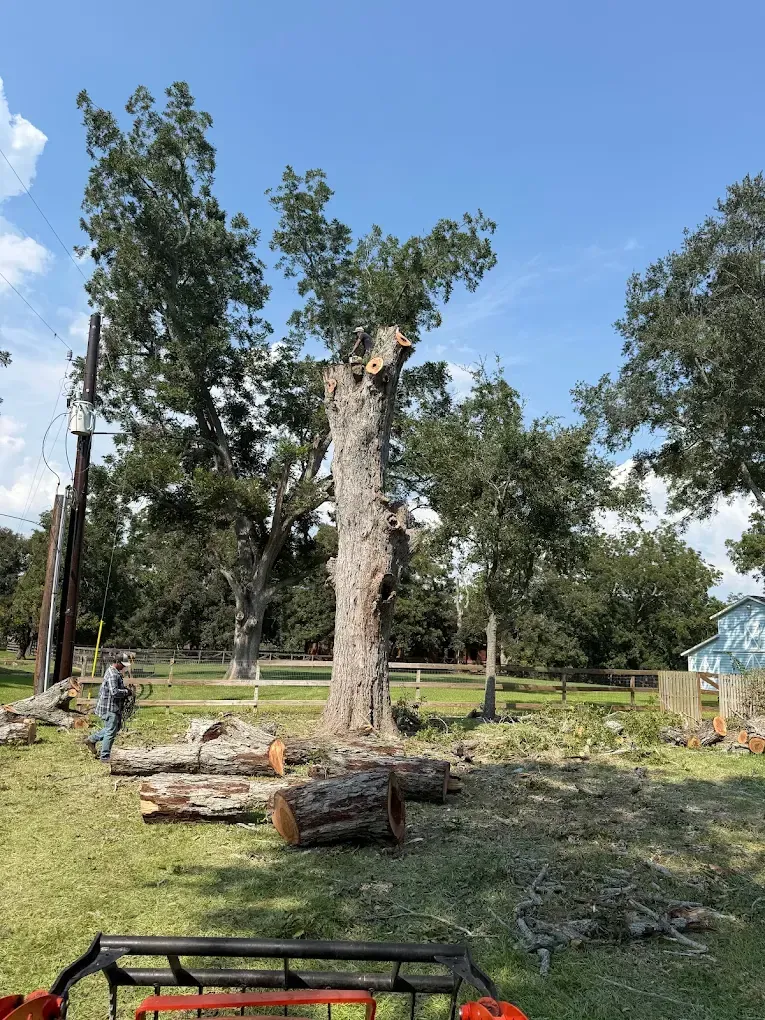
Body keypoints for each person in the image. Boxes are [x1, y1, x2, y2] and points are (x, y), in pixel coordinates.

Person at [84, 657, 132, 762]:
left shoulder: (114, 672)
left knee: (113, 729)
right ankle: (105, 757)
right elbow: (114, 692)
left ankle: (92, 739)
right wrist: (126, 692)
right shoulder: (113, 674)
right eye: (123, 664)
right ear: (117, 662)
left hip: (111, 706)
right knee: (111, 731)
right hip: (110, 707)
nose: (124, 667)